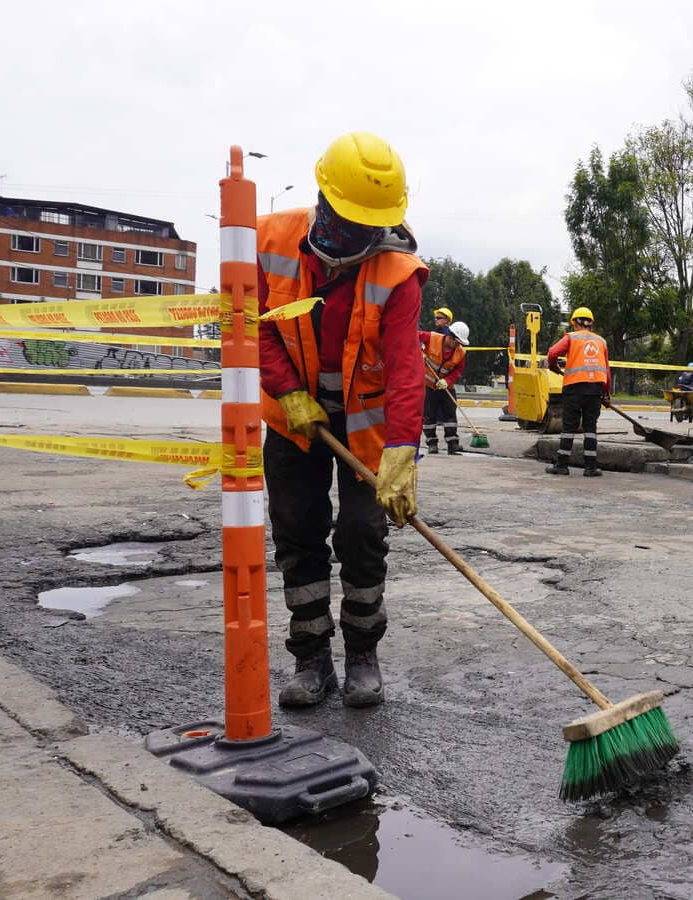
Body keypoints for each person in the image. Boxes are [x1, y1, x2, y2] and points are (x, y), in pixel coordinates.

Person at [259, 132, 427, 710]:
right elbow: (250, 324)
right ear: (324, 198)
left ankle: (362, 652)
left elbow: (406, 370)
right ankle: (310, 657)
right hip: (292, 421)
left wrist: (403, 455)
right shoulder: (268, 240)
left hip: (366, 430)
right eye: (352, 219)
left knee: (361, 534)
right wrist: (288, 393)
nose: (361, 234)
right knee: (297, 530)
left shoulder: (398, 273)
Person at [544, 308, 611, 477]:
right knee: (590, 428)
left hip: (573, 388)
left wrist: (553, 366)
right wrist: (606, 392)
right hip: (595, 389)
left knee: (569, 427)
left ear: (574, 322)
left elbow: (552, 353)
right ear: (591, 323)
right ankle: (590, 467)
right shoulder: (601, 341)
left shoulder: (571, 337)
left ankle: (562, 465)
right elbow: (606, 370)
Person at [420, 320, 468, 455]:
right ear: (451, 336)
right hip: (428, 385)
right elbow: (413, 336)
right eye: (457, 342)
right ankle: (432, 443)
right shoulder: (432, 338)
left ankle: (453, 444)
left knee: (450, 414)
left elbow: (458, 370)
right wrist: (418, 349)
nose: (458, 345)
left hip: (447, 386)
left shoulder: (461, 353)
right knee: (429, 416)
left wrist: (447, 380)